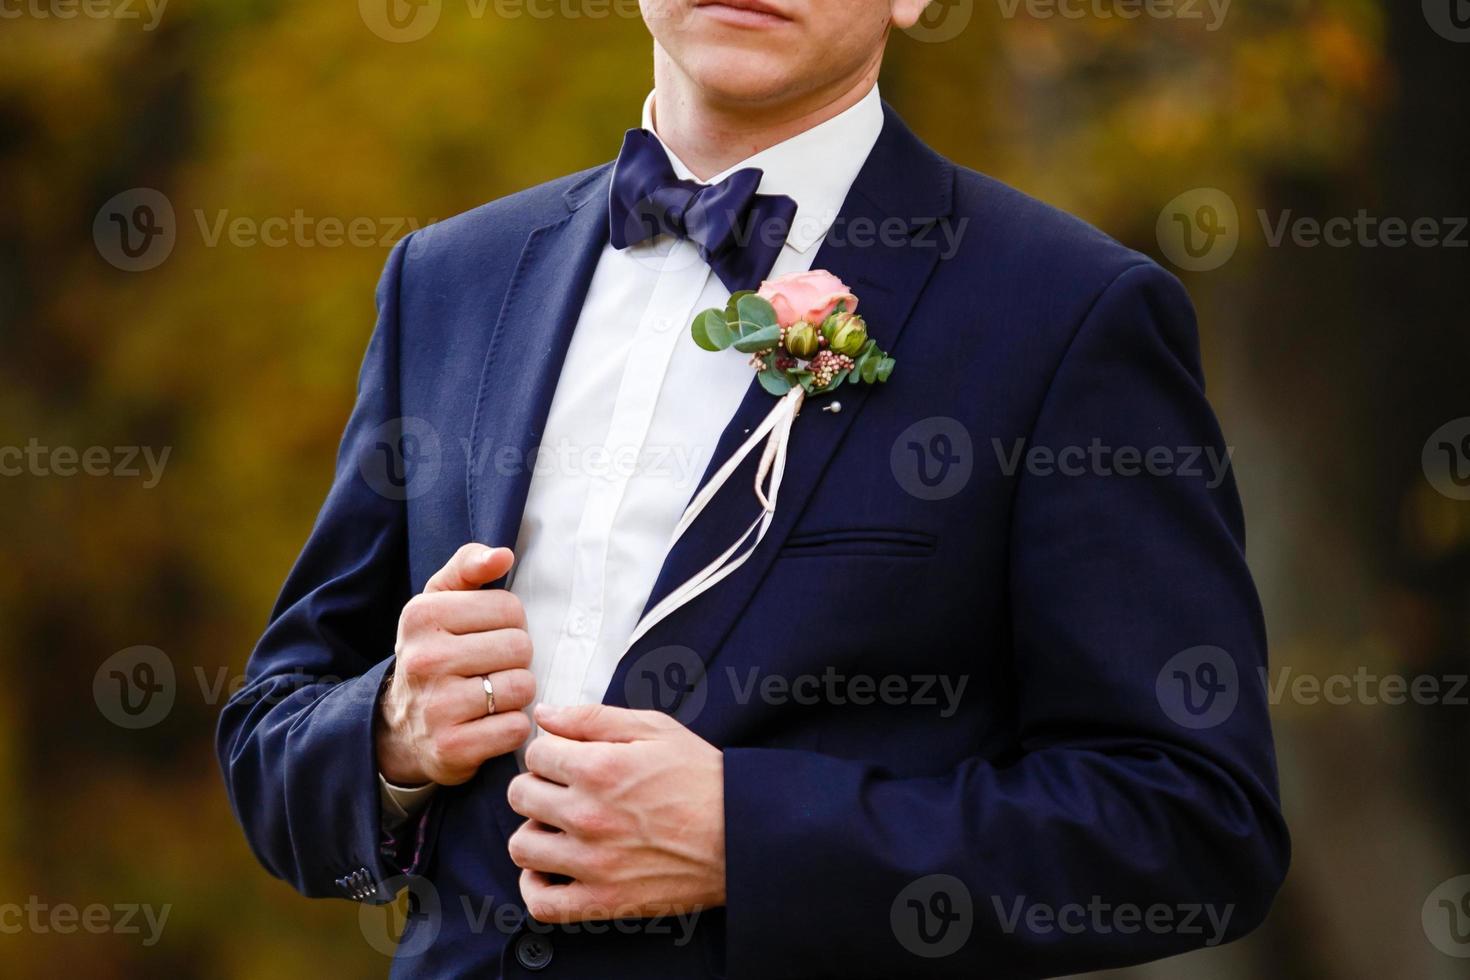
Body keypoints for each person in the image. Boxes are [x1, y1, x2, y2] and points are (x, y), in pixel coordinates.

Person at [217, 0, 1290, 975]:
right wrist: (393, 735)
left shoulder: (1068, 314)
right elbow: (270, 739)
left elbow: (1194, 823)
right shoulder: (448, 278)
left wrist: (751, 836)